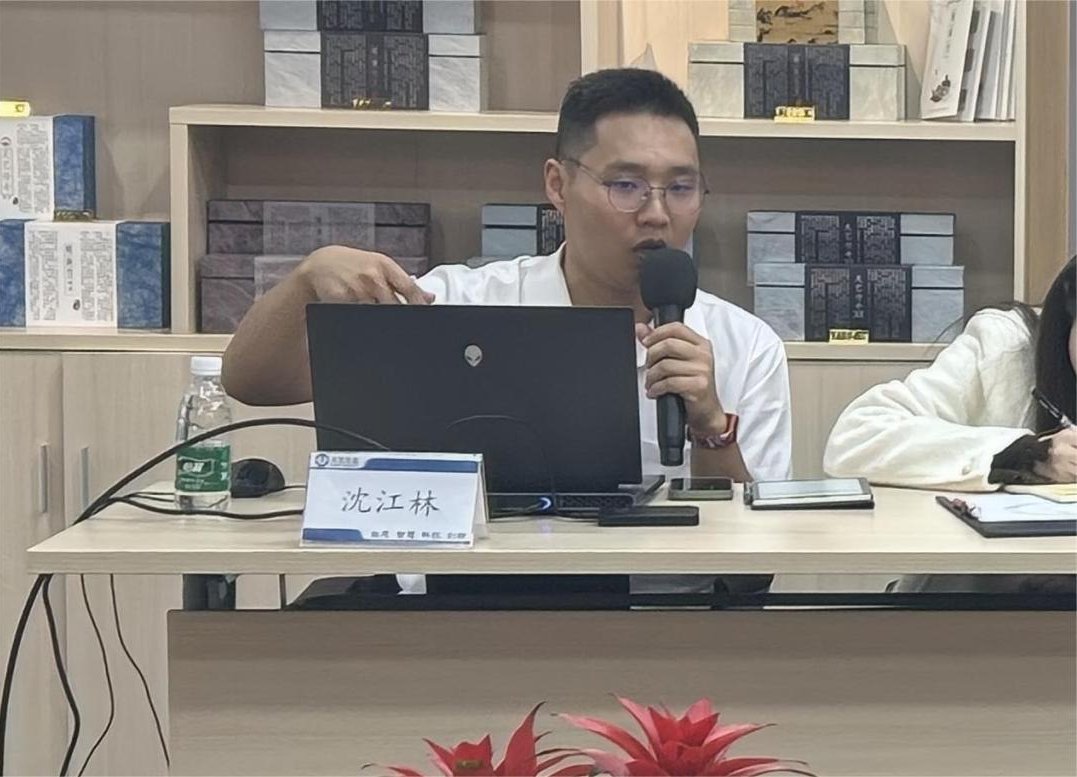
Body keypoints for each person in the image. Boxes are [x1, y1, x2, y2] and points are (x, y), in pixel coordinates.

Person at [223, 67, 792, 597]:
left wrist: (712, 428)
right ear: (557, 185)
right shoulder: (458, 305)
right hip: (450, 616)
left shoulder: (744, 345)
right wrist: (305, 280)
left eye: (681, 188)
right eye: (626, 185)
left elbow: (753, 571)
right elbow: (251, 381)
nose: (657, 213)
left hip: (665, 626)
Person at [824, 256, 1076, 594]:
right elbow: (856, 438)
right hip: (974, 597)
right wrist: (1027, 455)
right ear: (1067, 317)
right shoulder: (1007, 347)